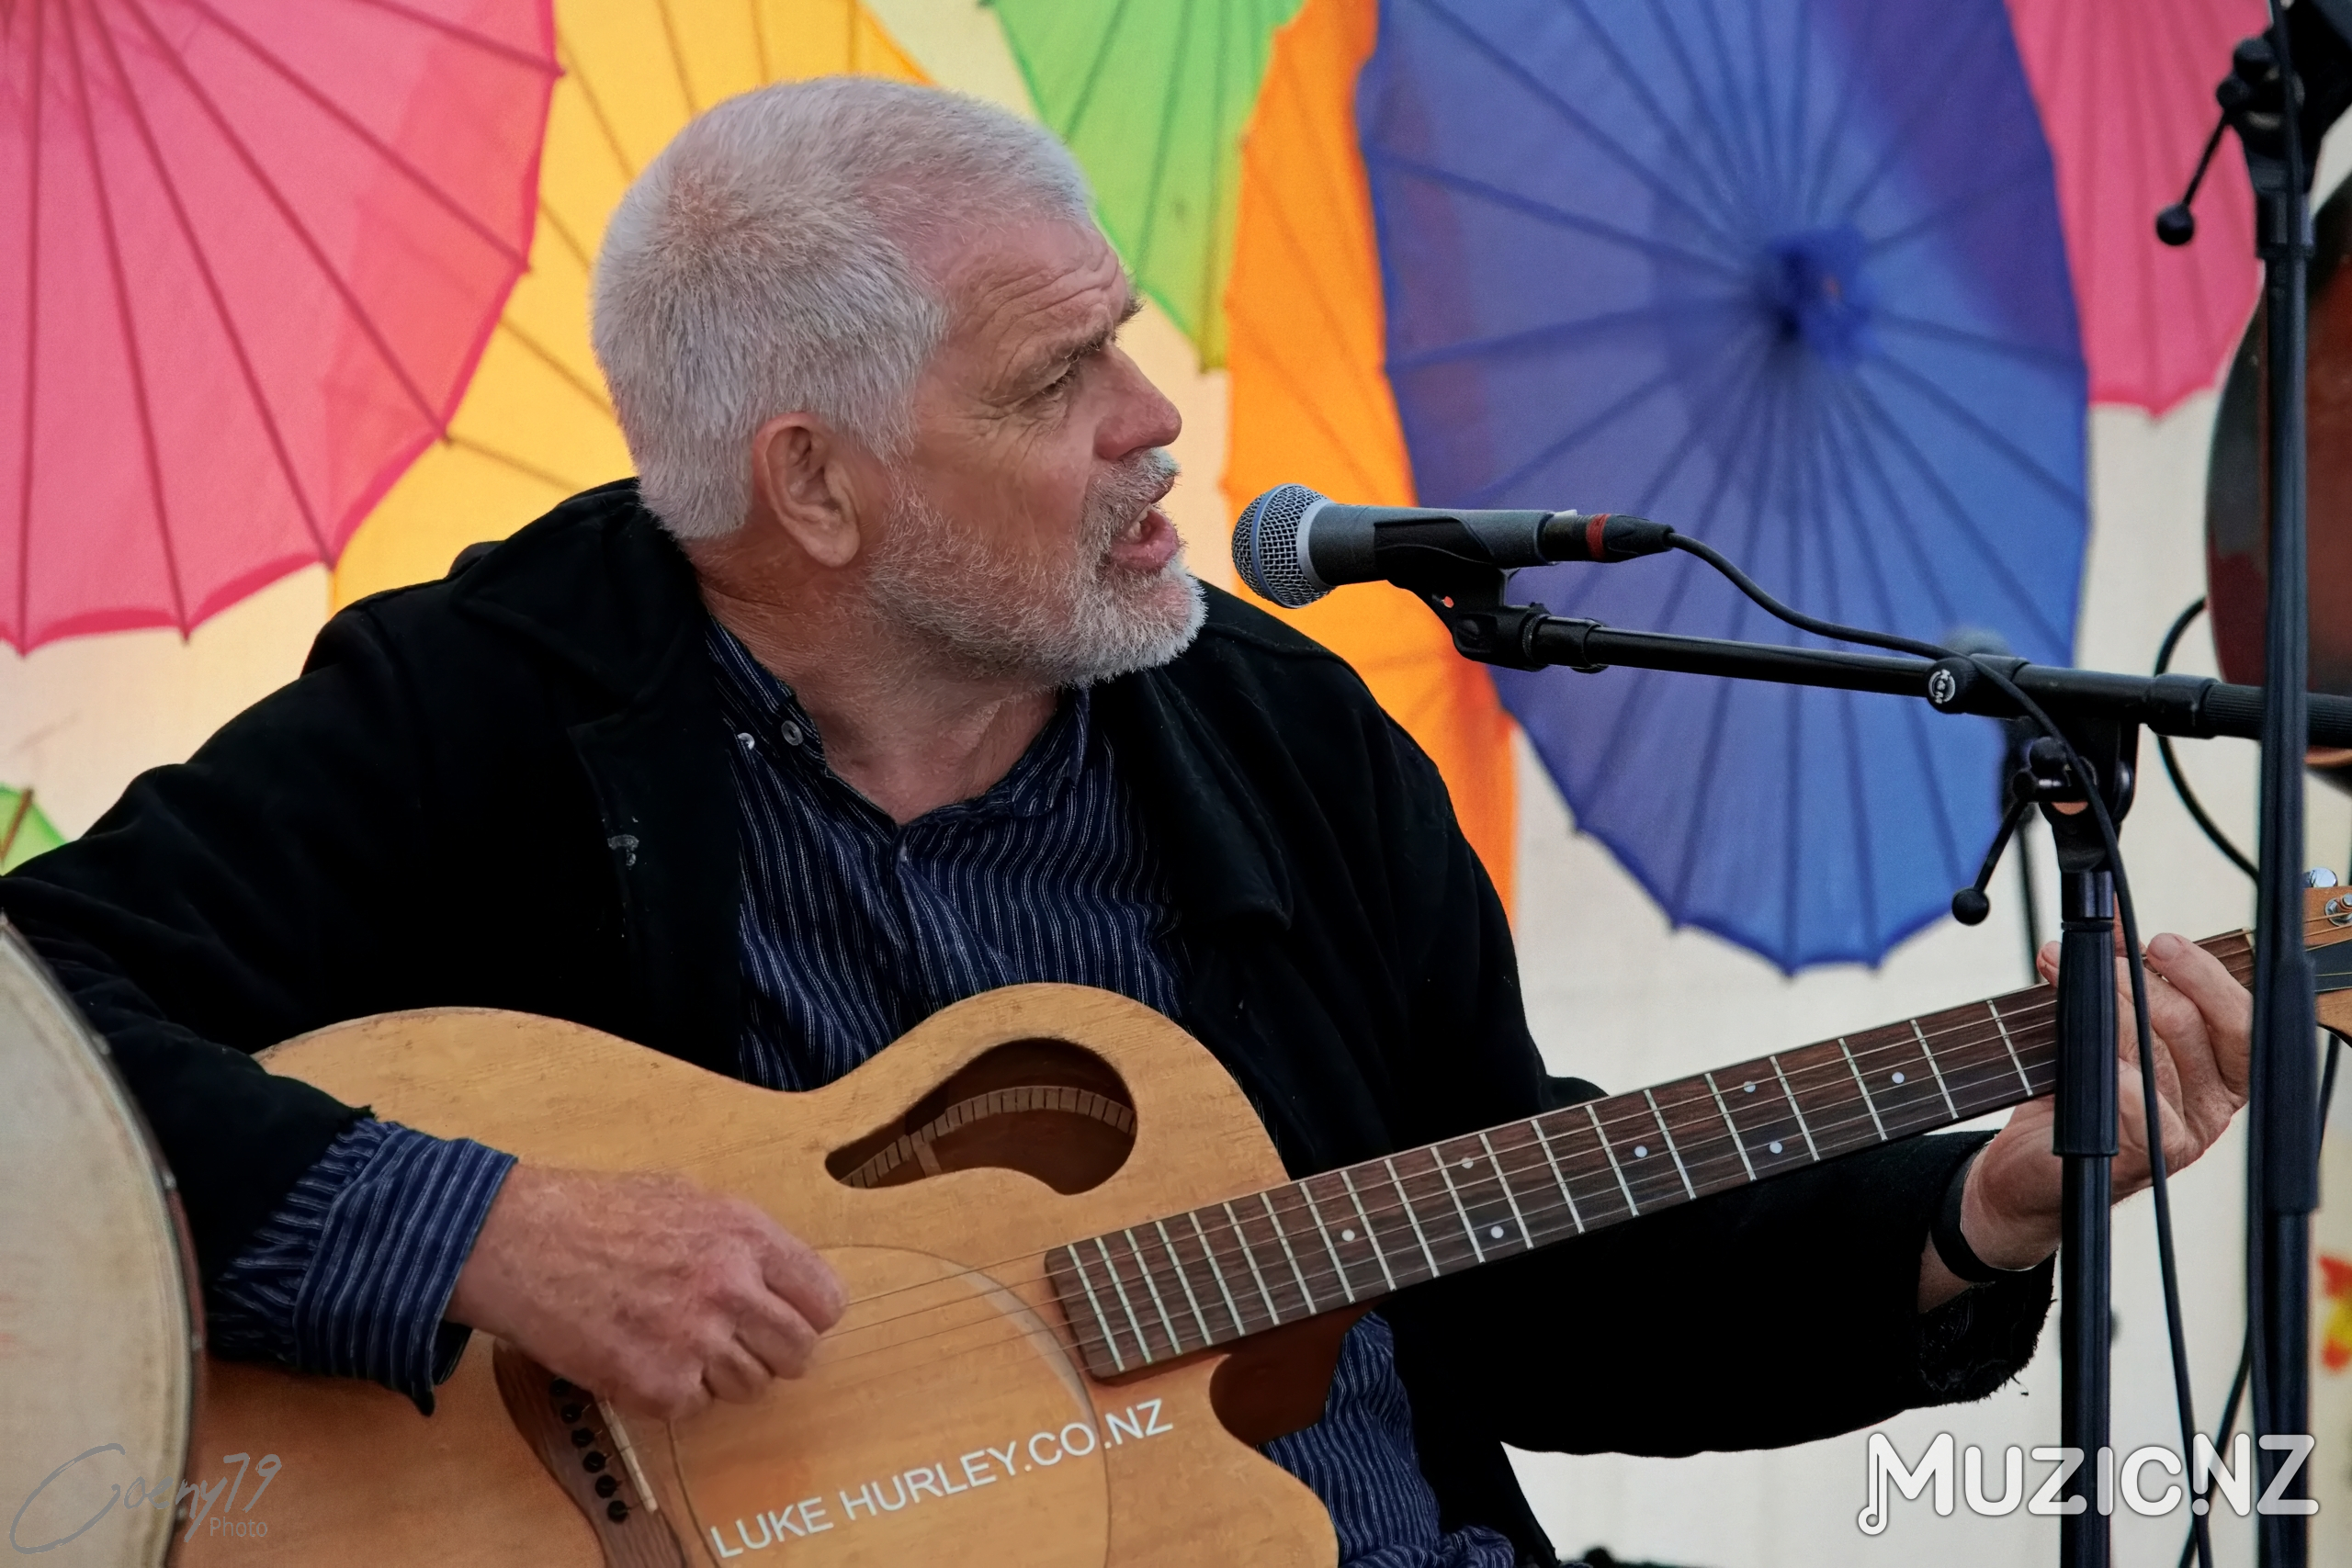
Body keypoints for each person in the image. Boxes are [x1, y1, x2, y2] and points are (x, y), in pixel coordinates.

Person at [0, 80, 2252, 1568]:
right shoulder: (479, 710)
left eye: (1124, 338)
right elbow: (36, 1041)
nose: (1153, 418)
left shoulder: (1274, 737)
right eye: (1052, 377)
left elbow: (1527, 1275)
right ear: (811, 484)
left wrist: (1968, 1207)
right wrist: (478, 1223)